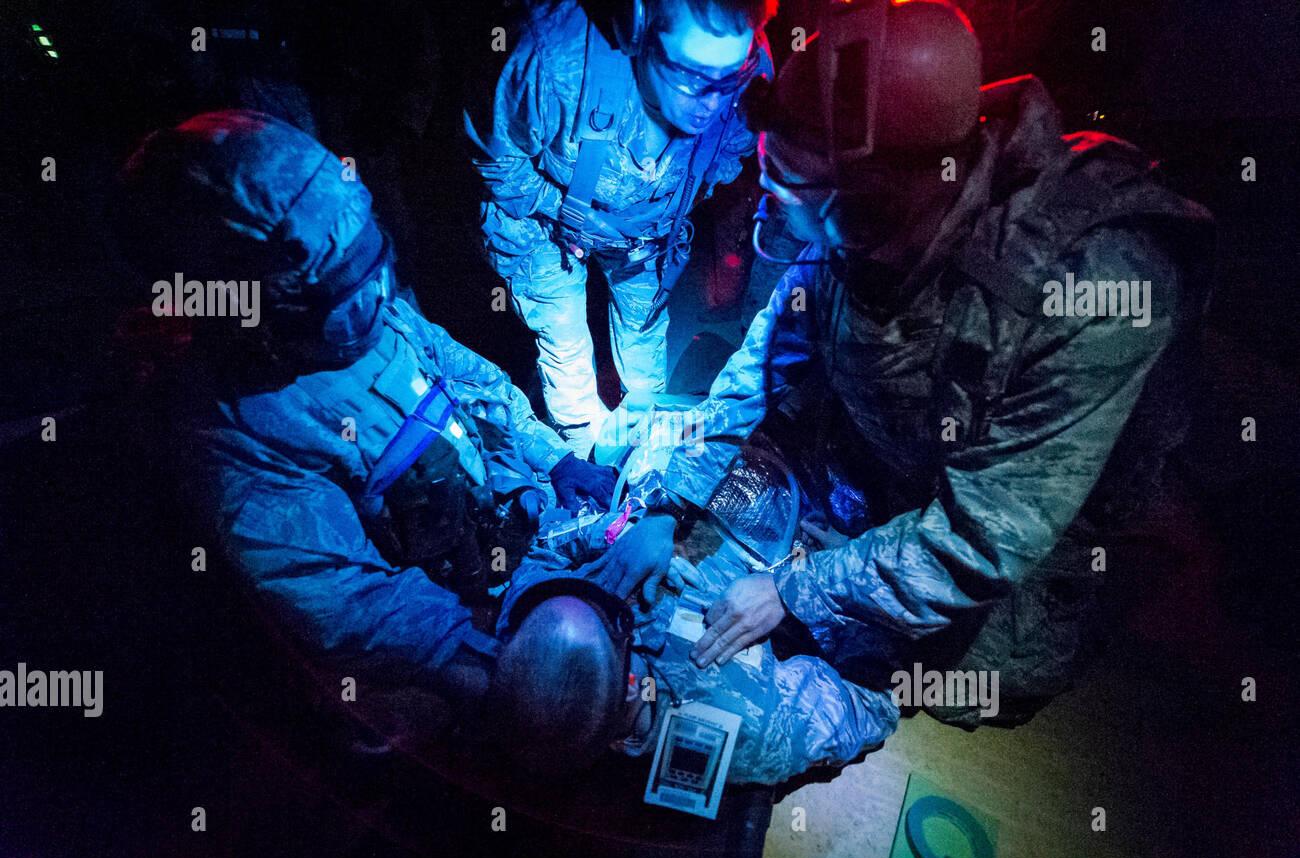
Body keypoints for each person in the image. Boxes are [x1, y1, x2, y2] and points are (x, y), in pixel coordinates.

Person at [592, 0, 1215, 726]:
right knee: (742, 517)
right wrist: (672, 504)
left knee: (951, 678)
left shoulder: (1094, 282)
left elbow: (983, 537)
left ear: (867, 201)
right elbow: (765, 362)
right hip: (915, 435)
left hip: (1018, 501)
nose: (766, 201)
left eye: (786, 186)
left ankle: (1166, 533)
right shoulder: (865, 208)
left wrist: (795, 590)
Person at [115, 109, 618, 710]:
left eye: (375, 271)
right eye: (346, 300)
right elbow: (343, 599)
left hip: (494, 538)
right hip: (435, 623)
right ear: (259, 309)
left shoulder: (352, 292)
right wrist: (495, 667)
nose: (380, 306)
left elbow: (469, 380)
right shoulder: (230, 425)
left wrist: (555, 459)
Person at [463, 0, 776, 456]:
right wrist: (564, 211)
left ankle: (646, 442)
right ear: (638, 29)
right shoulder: (550, 58)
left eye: (728, 80)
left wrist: (669, 207)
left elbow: (731, 153)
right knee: (565, 343)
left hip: (650, 232)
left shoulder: (748, 69)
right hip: (541, 222)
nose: (712, 102)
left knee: (646, 349)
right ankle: (583, 451)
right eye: (690, 76)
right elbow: (495, 161)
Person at [490, 562, 899, 787]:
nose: (622, 609)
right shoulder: (763, 728)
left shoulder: (532, 639)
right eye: (617, 626)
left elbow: (537, 567)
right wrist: (833, 579)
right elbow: (874, 708)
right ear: (631, 689)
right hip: (822, 591)